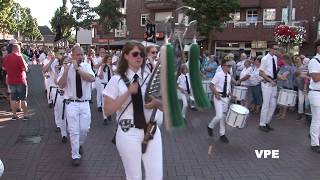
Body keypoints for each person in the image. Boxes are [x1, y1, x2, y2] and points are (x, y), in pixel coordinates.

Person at [103, 41, 163, 179]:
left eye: (142, 54)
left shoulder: (151, 79)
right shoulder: (116, 80)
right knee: (134, 177)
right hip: (128, 133)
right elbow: (107, 111)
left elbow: (166, 107)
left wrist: (157, 103)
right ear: (125, 56)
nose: (139, 57)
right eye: (135, 53)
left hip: (151, 131)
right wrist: (127, 93)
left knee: (156, 176)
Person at [57, 46, 95, 166]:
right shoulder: (65, 68)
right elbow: (61, 84)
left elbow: (91, 78)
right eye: (78, 55)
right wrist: (68, 69)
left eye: (82, 54)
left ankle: (79, 144)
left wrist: (78, 69)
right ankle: (75, 155)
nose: (80, 57)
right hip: (71, 103)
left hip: (84, 103)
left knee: (85, 129)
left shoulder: (86, 66)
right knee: (73, 131)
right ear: (72, 55)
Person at [207, 58, 233, 143]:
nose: (230, 67)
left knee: (223, 117)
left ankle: (222, 134)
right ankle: (210, 126)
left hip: (226, 98)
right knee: (219, 116)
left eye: (230, 66)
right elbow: (211, 85)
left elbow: (228, 87)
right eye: (228, 66)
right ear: (223, 66)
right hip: (218, 97)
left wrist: (231, 94)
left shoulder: (229, 76)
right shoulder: (218, 74)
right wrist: (216, 94)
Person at [2, 41, 29, 120]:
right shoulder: (19, 57)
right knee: (23, 99)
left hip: (11, 80)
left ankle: (14, 115)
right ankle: (25, 115)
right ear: (18, 49)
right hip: (21, 80)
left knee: (13, 98)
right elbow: (25, 69)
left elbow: (4, 68)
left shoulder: (6, 57)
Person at [258, 44, 279, 132]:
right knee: (266, 104)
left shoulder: (275, 58)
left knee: (273, 104)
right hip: (267, 83)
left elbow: (274, 72)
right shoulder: (265, 59)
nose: (276, 51)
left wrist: (280, 77)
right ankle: (262, 124)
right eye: (275, 49)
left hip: (273, 83)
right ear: (270, 49)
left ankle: (267, 122)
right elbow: (261, 73)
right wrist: (270, 80)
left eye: (277, 49)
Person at [308, 39, 320, 153]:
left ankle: (315, 136)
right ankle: (314, 143)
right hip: (316, 93)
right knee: (317, 119)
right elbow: (316, 78)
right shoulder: (314, 61)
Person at [52, 55, 68, 143]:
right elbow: (57, 83)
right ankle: (64, 134)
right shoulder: (61, 70)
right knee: (62, 116)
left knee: (70, 116)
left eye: (68, 62)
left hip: (70, 97)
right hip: (61, 95)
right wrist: (56, 71)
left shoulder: (72, 71)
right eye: (65, 62)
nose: (66, 64)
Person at [275, 54, 296, 119]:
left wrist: (280, 76)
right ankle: (280, 113)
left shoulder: (291, 67)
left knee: (285, 101)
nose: (281, 60)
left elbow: (284, 76)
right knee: (281, 100)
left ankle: (283, 114)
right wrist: (280, 76)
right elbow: (279, 75)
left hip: (287, 85)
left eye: (282, 59)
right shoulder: (283, 66)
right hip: (281, 84)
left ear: (285, 59)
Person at [98, 54, 113, 125]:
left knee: (110, 101)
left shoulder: (112, 67)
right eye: (109, 59)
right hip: (103, 85)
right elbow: (100, 77)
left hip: (110, 86)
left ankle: (109, 113)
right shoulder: (102, 67)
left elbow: (114, 77)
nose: (110, 61)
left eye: (111, 59)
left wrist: (111, 68)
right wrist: (102, 68)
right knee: (104, 102)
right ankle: (105, 118)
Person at [294, 55, 310, 120]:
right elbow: (296, 75)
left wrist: (306, 77)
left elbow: (312, 79)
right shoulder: (300, 68)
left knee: (307, 102)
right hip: (301, 87)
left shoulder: (311, 69)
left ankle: (307, 114)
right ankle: (300, 113)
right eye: (305, 62)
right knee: (300, 101)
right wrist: (300, 75)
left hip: (308, 88)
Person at [94, 47, 106, 112]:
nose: (103, 53)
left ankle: (104, 104)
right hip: (98, 77)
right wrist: (101, 62)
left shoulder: (106, 59)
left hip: (105, 77)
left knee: (105, 92)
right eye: (101, 52)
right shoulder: (96, 59)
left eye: (104, 52)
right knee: (99, 92)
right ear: (99, 52)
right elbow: (95, 66)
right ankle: (99, 105)